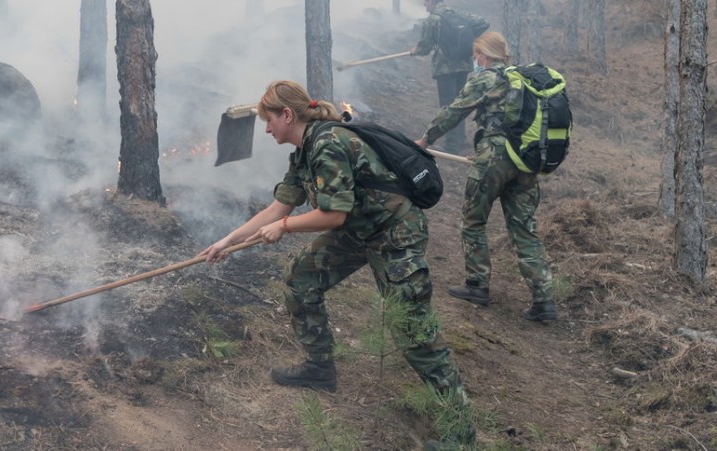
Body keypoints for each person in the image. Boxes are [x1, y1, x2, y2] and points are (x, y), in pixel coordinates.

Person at [200, 80, 476, 447]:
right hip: (360, 231)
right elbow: (279, 206)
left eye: (269, 121)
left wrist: (284, 228)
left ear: (287, 115)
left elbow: (333, 215)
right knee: (301, 278)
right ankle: (319, 368)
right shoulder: (304, 151)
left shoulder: (328, 144)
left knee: (413, 330)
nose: (266, 129)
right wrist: (229, 241)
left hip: (395, 235)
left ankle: (461, 434)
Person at [415, 31, 558, 322]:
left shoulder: (486, 78)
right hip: (525, 161)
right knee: (525, 230)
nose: (474, 59)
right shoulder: (523, 81)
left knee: (473, 221)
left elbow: (455, 111)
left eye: (475, 54)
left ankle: (477, 285)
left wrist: (425, 140)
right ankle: (544, 300)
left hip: (494, 158)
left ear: (484, 54)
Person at [410, 0, 480, 154]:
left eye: (426, 1)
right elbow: (482, 23)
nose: (424, 5)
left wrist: (415, 50)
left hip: (445, 67)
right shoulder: (458, 14)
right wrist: (467, 43)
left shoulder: (432, 19)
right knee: (460, 102)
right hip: (463, 64)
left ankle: (452, 144)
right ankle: (459, 139)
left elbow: (425, 47)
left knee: (448, 105)